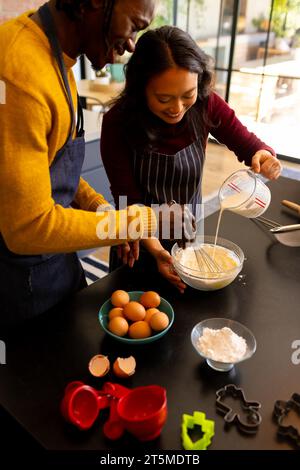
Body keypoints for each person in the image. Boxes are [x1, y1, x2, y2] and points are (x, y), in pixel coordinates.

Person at [0, 1, 194, 327]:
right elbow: (27, 228)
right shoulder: (18, 72)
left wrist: (102, 210)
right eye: (133, 25)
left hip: (56, 262)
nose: (132, 44)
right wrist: (140, 221)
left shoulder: (55, 57)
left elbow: (52, 168)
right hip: (22, 285)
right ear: (92, 3)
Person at [101, 25, 282, 292]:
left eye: (188, 95)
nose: (177, 108)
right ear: (141, 88)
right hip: (138, 241)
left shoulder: (206, 104)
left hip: (187, 239)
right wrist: (158, 250)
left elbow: (247, 143)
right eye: (164, 98)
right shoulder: (118, 122)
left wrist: (263, 157)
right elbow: (128, 202)